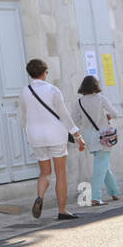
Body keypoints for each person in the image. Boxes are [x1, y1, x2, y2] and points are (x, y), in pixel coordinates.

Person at [20, 60, 80, 220]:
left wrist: (27, 134)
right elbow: (64, 115)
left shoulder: (25, 91)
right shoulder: (53, 90)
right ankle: (62, 210)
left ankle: (40, 196)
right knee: (60, 174)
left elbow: (23, 116)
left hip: (35, 136)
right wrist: (77, 135)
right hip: (55, 135)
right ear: (44, 72)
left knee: (45, 173)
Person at [71, 75, 121, 206]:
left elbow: (74, 121)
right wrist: (106, 116)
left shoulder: (79, 102)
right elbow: (115, 114)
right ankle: (95, 197)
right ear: (96, 86)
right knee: (100, 167)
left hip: (89, 137)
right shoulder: (101, 99)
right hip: (103, 136)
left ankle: (114, 192)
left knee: (103, 165)